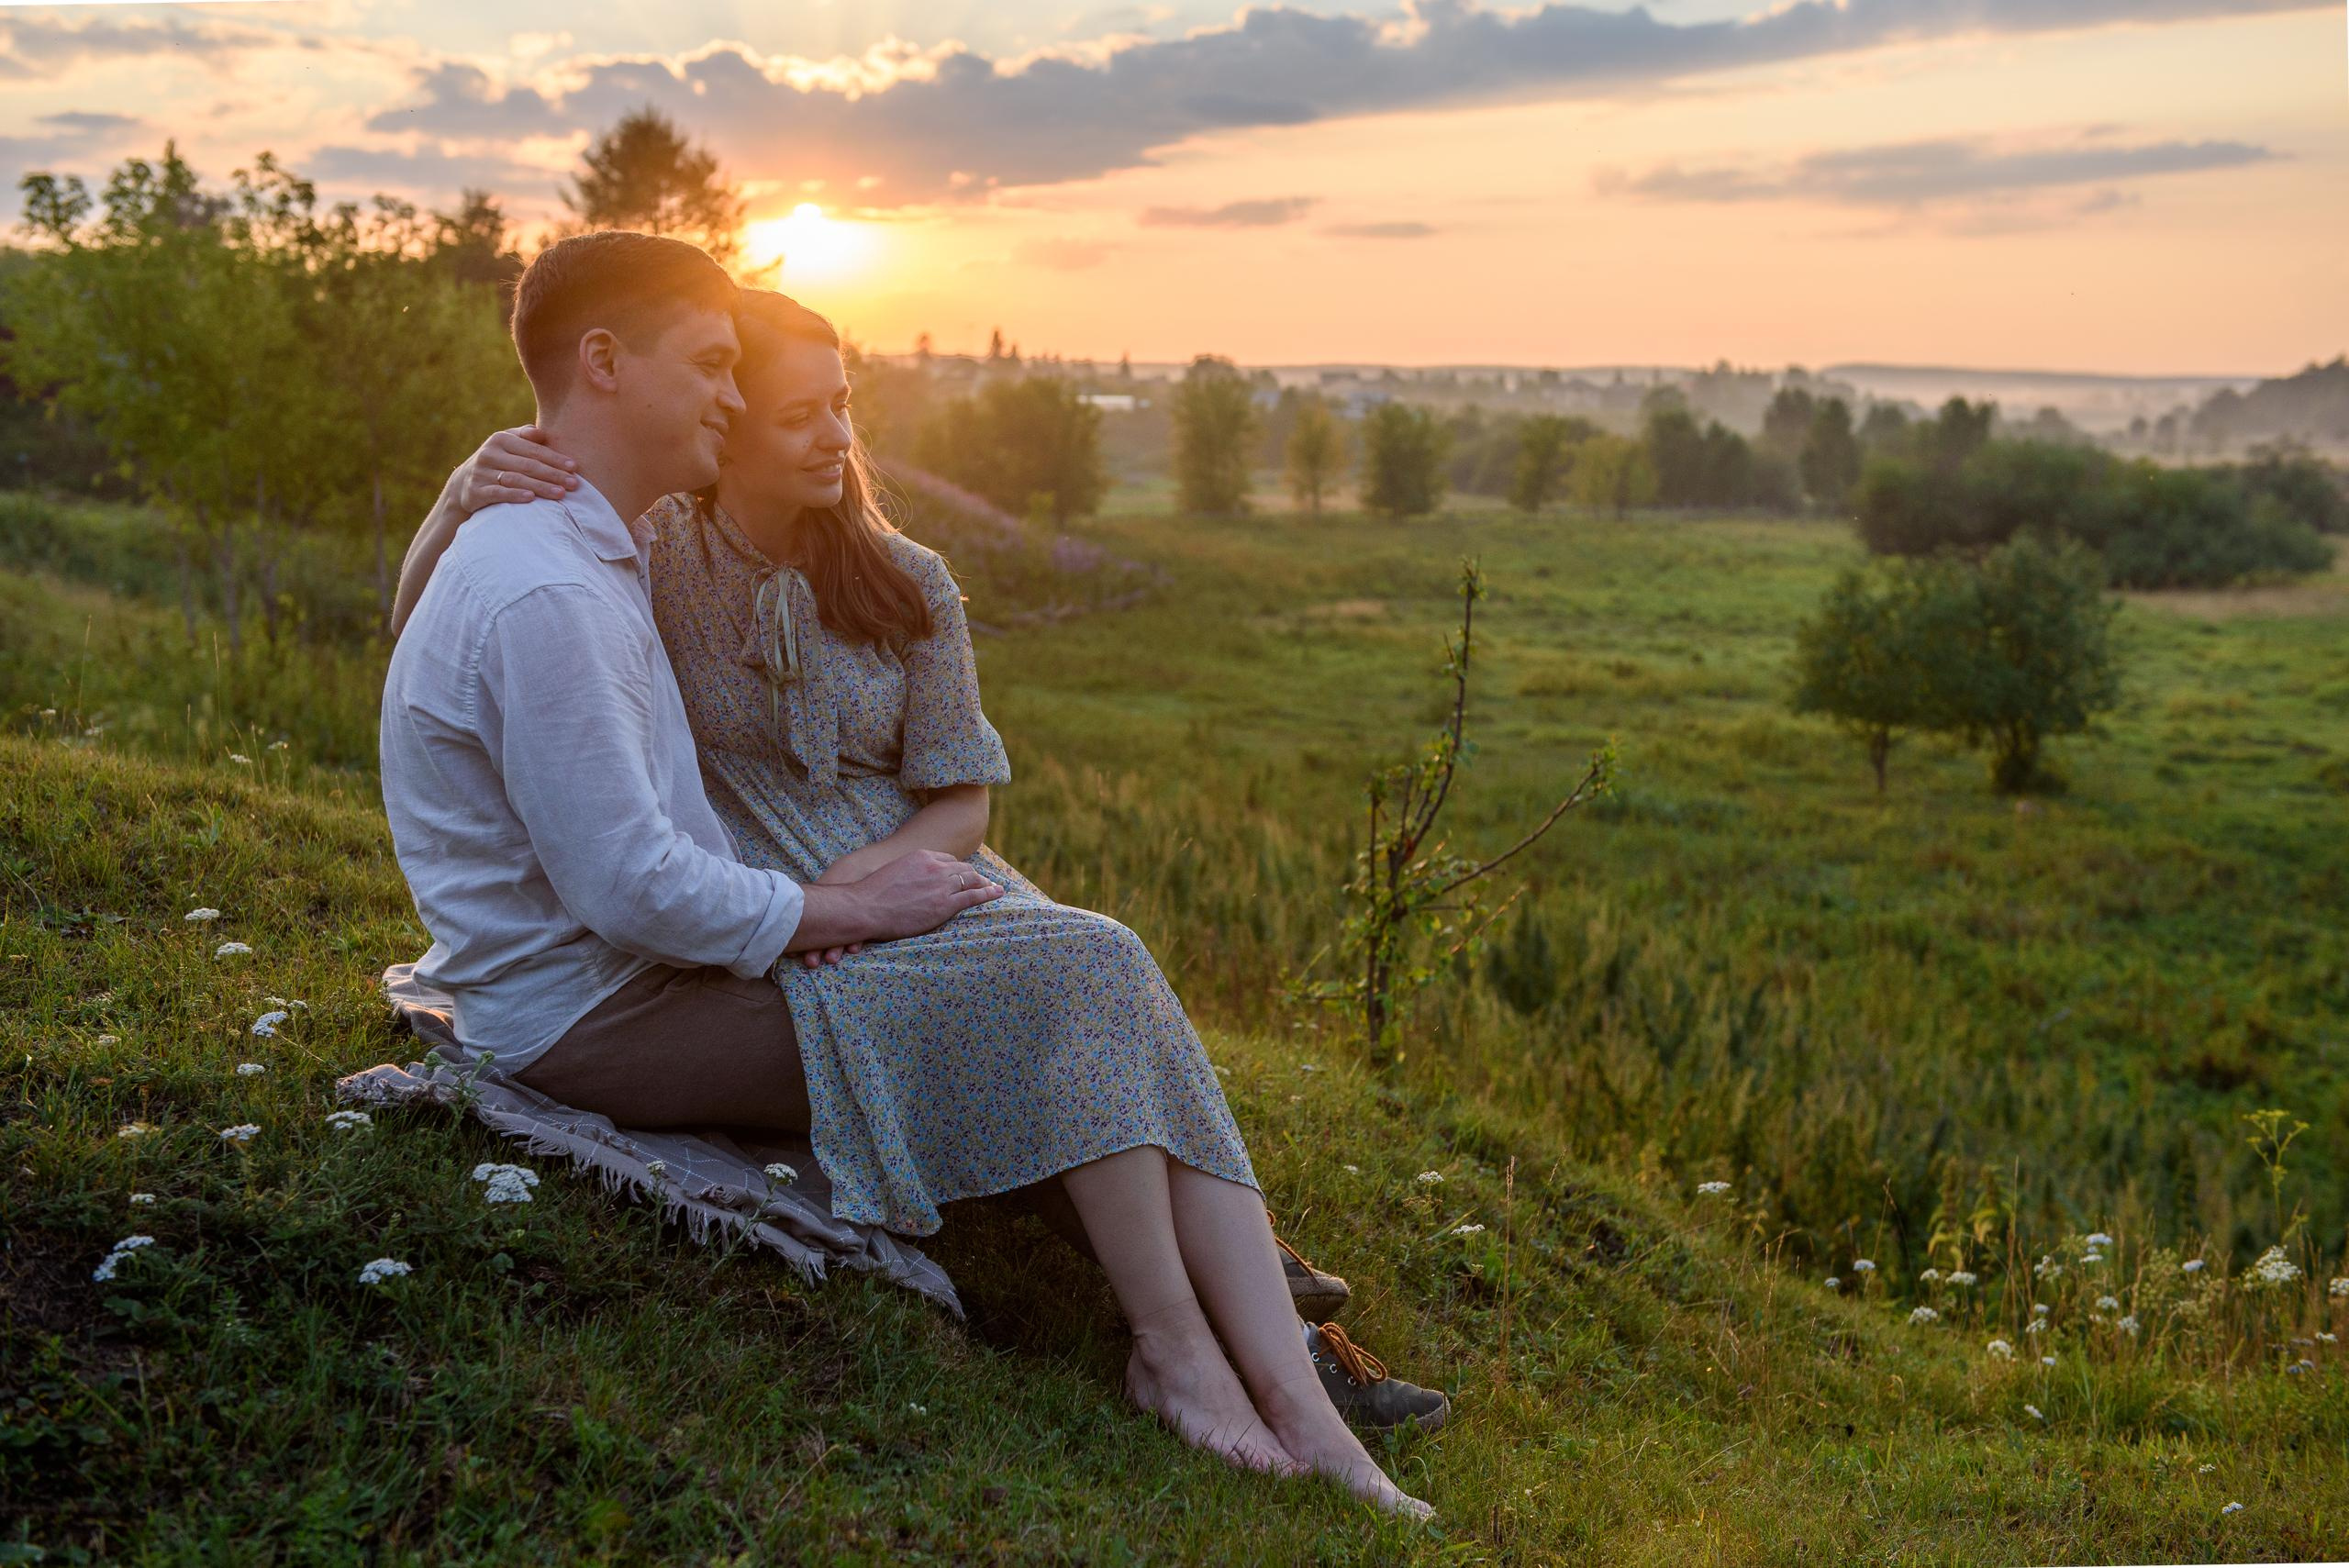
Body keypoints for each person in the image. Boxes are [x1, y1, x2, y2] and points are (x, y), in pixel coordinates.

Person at [386, 248, 1436, 1517]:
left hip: (781, 908)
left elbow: (950, 798)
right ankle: (1201, 1354)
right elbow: (620, 873)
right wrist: (461, 489)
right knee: (1078, 983)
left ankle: (1290, 1384)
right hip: (628, 983)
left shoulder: (637, 555)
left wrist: (867, 888)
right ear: (611, 368)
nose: (776, 416)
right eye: (735, 379)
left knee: (1088, 968)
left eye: (824, 399)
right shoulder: (601, 563)